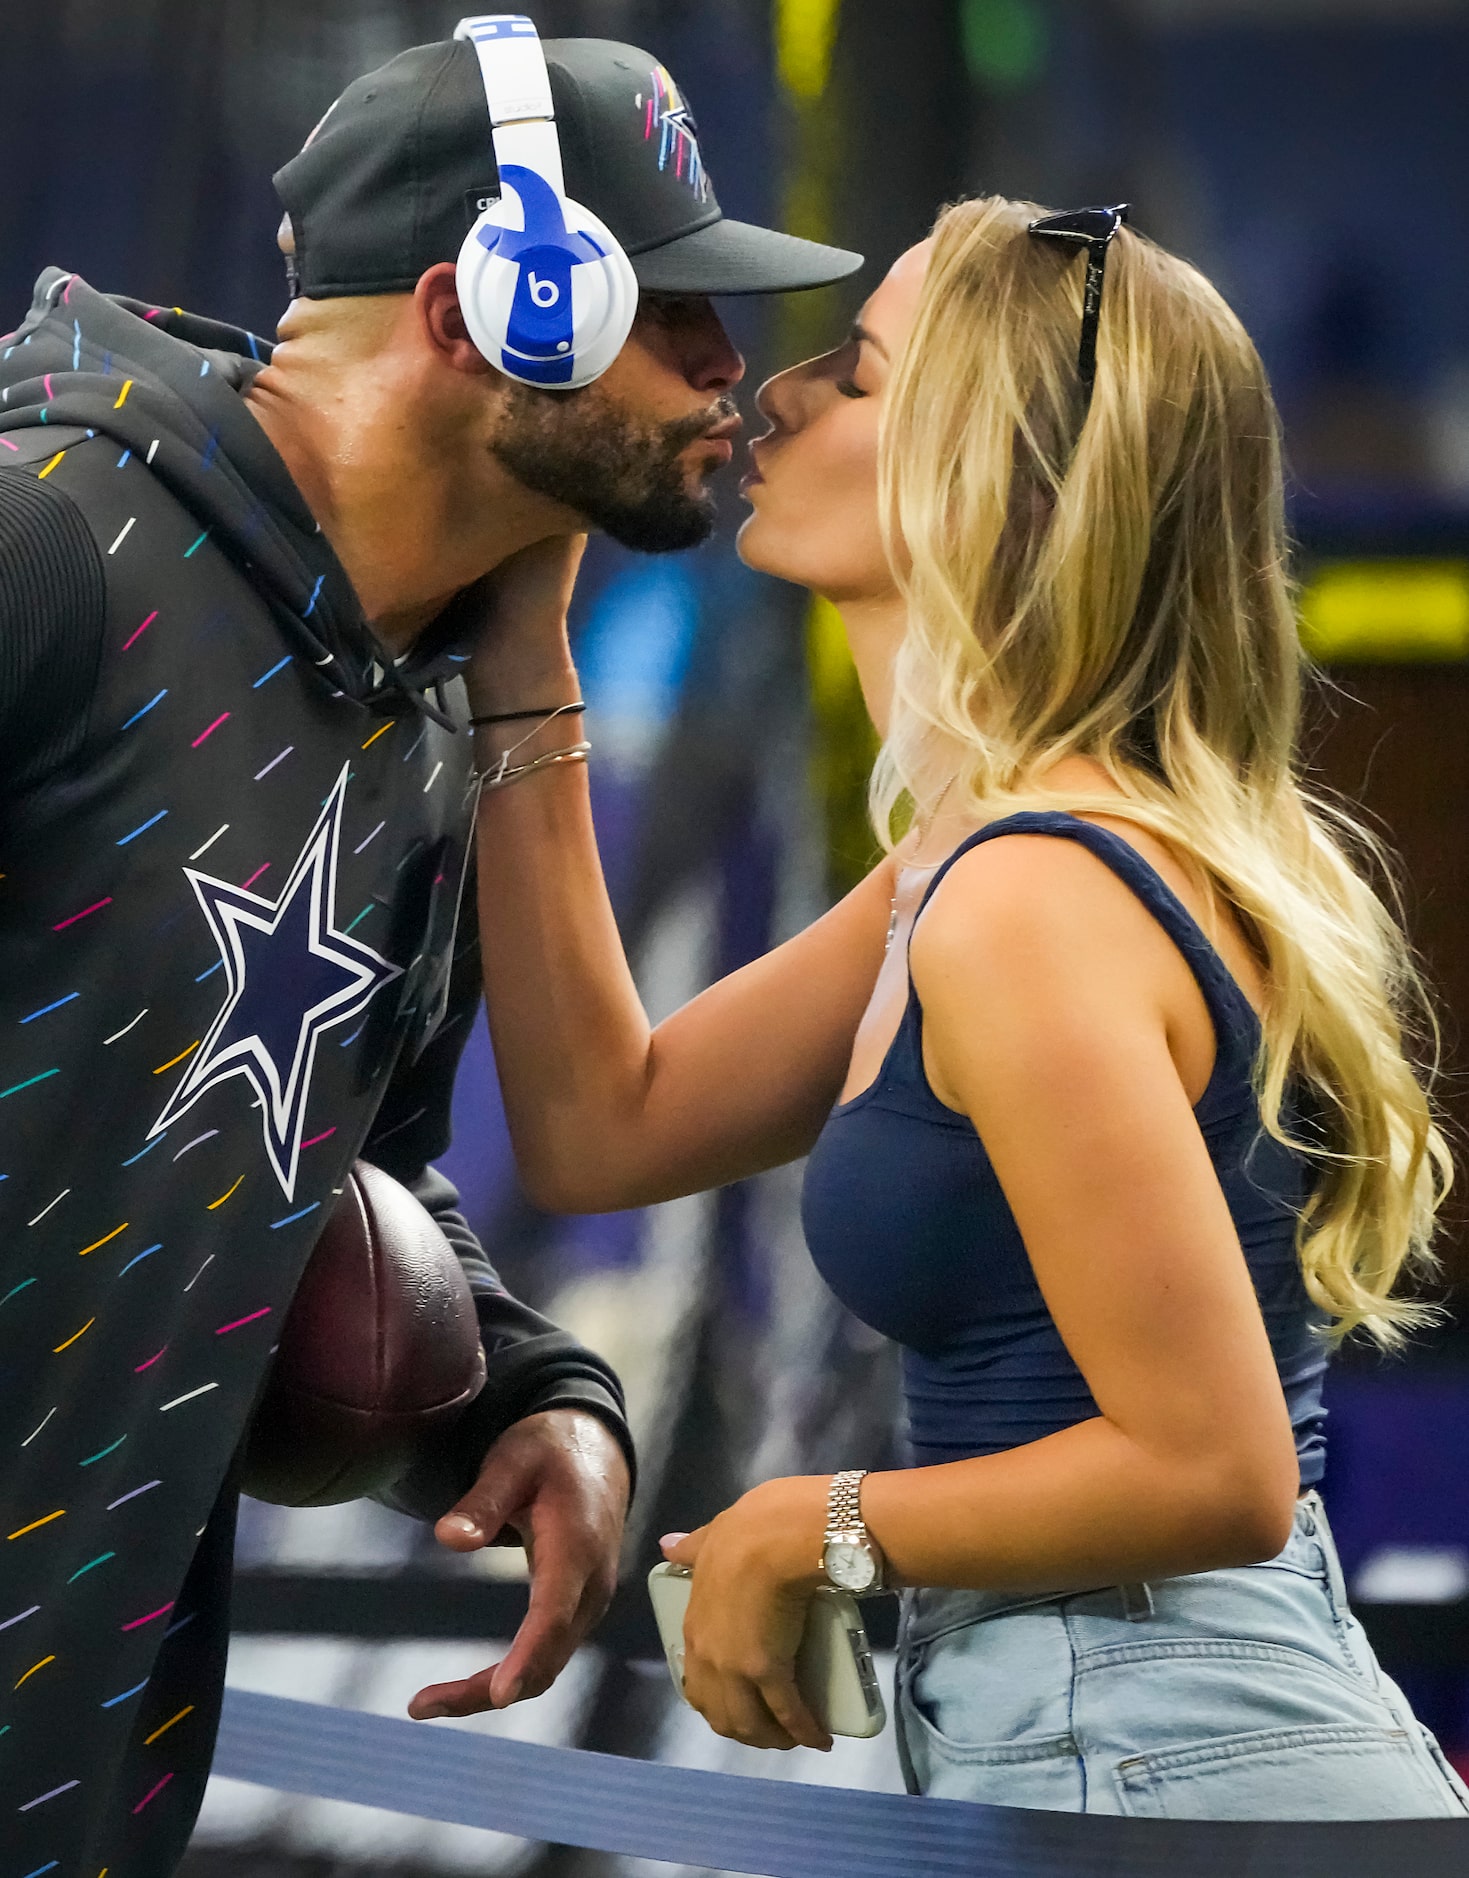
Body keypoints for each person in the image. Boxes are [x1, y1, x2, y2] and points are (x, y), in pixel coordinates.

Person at [462, 195, 1469, 1819]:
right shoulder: (974, 865)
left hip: (1169, 1765)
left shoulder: (1025, 900)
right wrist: (525, 637)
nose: (771, 397)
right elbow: (599, 1121)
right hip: (1150, 1749)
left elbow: (1215, 1468)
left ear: (1007, 486)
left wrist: (816, 1521)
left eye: (857, 374)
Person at [0, 22, 861, 1874]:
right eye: (673, 310)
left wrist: (521, 1388)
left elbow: (346, 1170)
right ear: (496, 308)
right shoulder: (49, 544)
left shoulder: (407, 717)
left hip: (82, 1764)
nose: (732, 370)